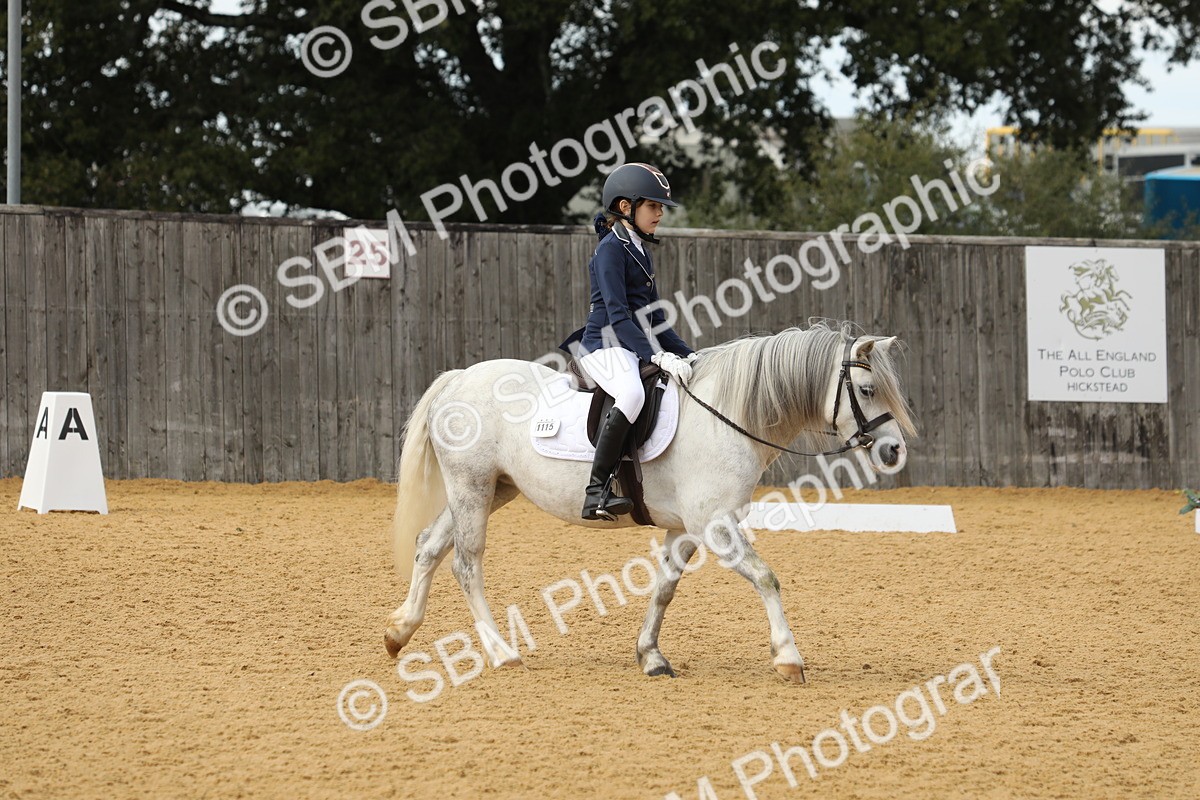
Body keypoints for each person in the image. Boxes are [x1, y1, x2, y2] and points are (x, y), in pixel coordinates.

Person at [559, 162, 697, 521]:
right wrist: (657, 356)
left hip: (625, 344)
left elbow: (654, 317)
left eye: (660, 207)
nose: (660, 213)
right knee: (633, 394)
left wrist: (687, 353)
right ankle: (596, 491)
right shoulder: (610, 249)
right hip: (602, 345)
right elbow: (619, 317)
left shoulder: (640, 249)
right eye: (653, 206)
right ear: (626, 207)